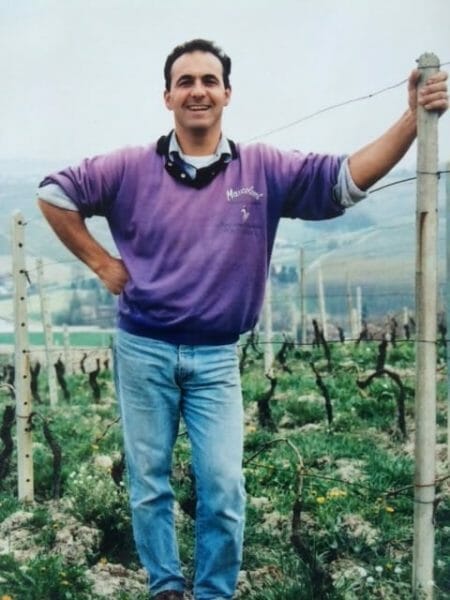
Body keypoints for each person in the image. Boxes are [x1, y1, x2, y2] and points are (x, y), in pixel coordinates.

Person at [37, 39, 448, 600]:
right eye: (185, 82)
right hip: (143, 348)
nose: (198, 91)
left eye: (209, 80)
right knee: (148, 483)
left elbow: (347, 180)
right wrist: (99, 261)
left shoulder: (265, 169)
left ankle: (213, 593)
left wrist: (411, 117)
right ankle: (165, 587)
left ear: (227, 93)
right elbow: (55, 193)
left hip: (215, 355)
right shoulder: (130, 166)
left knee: (225, 486)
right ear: (167, 97)